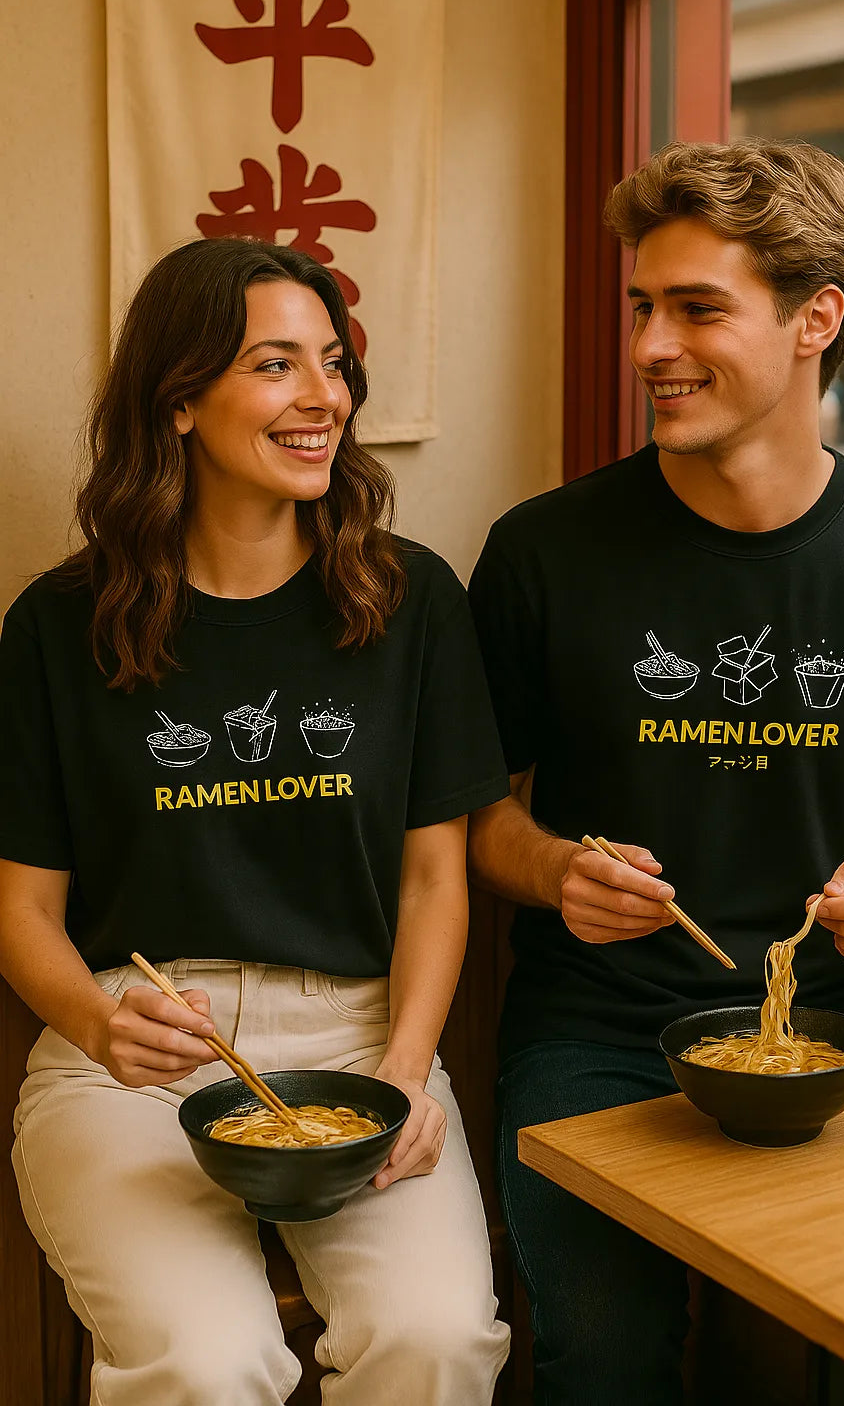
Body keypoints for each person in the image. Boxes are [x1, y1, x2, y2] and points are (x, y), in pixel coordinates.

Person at [466, 139, 844, 1406]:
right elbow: (468, 821)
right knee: (602, 1362)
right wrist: (554, 868)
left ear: (815, 318)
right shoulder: (542, 551)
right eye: (642, 308)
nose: (650, 346)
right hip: (596, 1039)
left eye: (696, 309)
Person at [0, 238, 510, 1405]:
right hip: (128, 1066)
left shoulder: (409, 598)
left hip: (358, 1038)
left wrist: (408, 1071)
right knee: (206, 1361)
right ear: (178, 399)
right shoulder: (57, 627)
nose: (322, 397)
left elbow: (438, 879)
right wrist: (96, 1018)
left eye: (332, 363)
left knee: (435, 1341)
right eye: (275, 366)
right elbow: (22, 909)